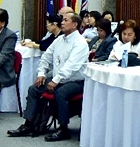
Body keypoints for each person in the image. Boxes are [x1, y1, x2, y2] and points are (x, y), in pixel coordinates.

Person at [8, 12, 88, 142]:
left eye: (65, 20)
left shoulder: (80, 43)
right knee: (34, 89)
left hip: (76, 81)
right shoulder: (59, 40)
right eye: (62, 20)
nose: (62, 22)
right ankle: (29, 124)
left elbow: (72, 66)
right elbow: (46, 57)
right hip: (59, 79)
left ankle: (63, 129)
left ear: (74, 25)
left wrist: (56, 80)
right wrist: (41, 74)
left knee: (60, 93)